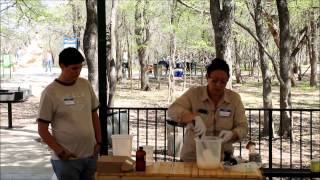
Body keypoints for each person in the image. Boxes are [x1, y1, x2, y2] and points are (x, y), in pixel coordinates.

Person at [37, 47, 101, 180]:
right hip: (66, 160)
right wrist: (60, 151)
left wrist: (99, 141)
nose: (78, 72)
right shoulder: (50, 92)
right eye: (74, 68)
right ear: (62, 66)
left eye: (80, 68)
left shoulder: (85, 84)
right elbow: (42, 129)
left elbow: (94, 115)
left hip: (90, 156)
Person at [168, 58, 248, 162]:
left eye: (223, 82)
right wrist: (193, 118)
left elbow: (243, 127)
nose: (218, 85)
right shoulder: (194, 94)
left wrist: (233, 134)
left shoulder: (234, 99)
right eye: (214, 81)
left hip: (222, 159)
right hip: (193, 158)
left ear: (228, 79)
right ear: (207, 77)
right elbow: (172, 110)